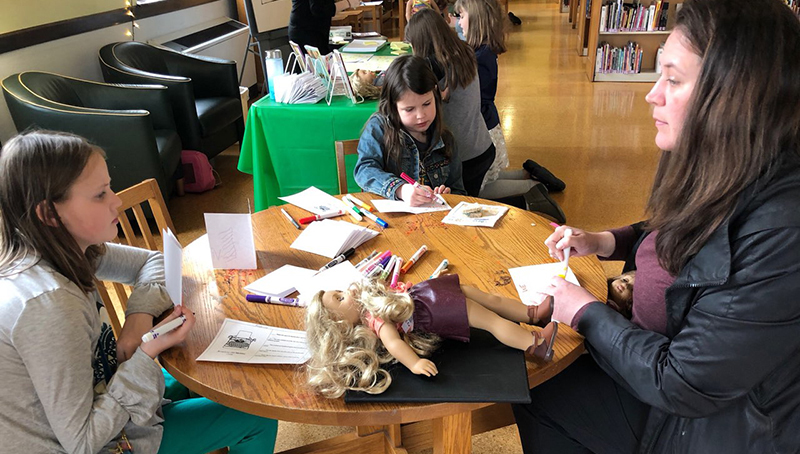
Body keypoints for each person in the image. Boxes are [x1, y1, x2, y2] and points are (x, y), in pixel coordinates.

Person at [512, 0, 800, 452]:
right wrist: (606, 240)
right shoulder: (727, 162)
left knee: (540, 388)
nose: (652, 93)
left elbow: (684, 382)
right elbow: (678, 230)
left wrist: (585, 311)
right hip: (654, 364)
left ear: (734, 96)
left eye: (674, 79)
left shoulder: (784, 233)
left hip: (697, 420)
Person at [0, 131, 278, 454]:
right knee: (258, 418)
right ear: (48, 213)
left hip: (103, 396)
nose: (116, 200)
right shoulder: (48, 306)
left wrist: (138, 318)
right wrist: (145, 355)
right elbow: (84, 441)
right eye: (101, 194)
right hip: (97, 442)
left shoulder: (64, 249)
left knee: (211, 375)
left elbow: (153, 261)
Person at [304, 275, 559, 398]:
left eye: (339, 292)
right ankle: (535, 344)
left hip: (429, 294)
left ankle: (532, 313)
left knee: (489, 299)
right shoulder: (375, 318)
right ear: (341, 323)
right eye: (340, 299)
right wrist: (414, 363)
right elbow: (393, 342)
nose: (346, 292)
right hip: (434, 307)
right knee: (490, 321)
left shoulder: (371, 303)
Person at [454, 0, 566, 223]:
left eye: (461, 16)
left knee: (475, 190)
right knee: (489, 177)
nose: (458, 23)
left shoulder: (478, 58)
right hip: (486, 126)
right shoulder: (482, 50)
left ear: (476, 20)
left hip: (482, 130)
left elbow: (471, 95)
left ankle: (532, 189)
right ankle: (529, 175)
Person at [405, 9, 496, 198]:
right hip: (481, 145)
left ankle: (526, 199)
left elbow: (401, 82)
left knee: (465, 204)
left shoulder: (431, 67)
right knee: (476, 195)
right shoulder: (464, 52)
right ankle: (530, 186)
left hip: (462, 155)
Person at [354, 55, 467, 206]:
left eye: (427, 104)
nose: (421, 116)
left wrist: (448, 196)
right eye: (409, 109)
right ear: (393, 106)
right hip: (391, 223)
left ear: (435, 94)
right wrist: (400, 189)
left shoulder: (445, 138)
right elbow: (364, 170)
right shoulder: (379, 128)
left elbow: (459, 190)